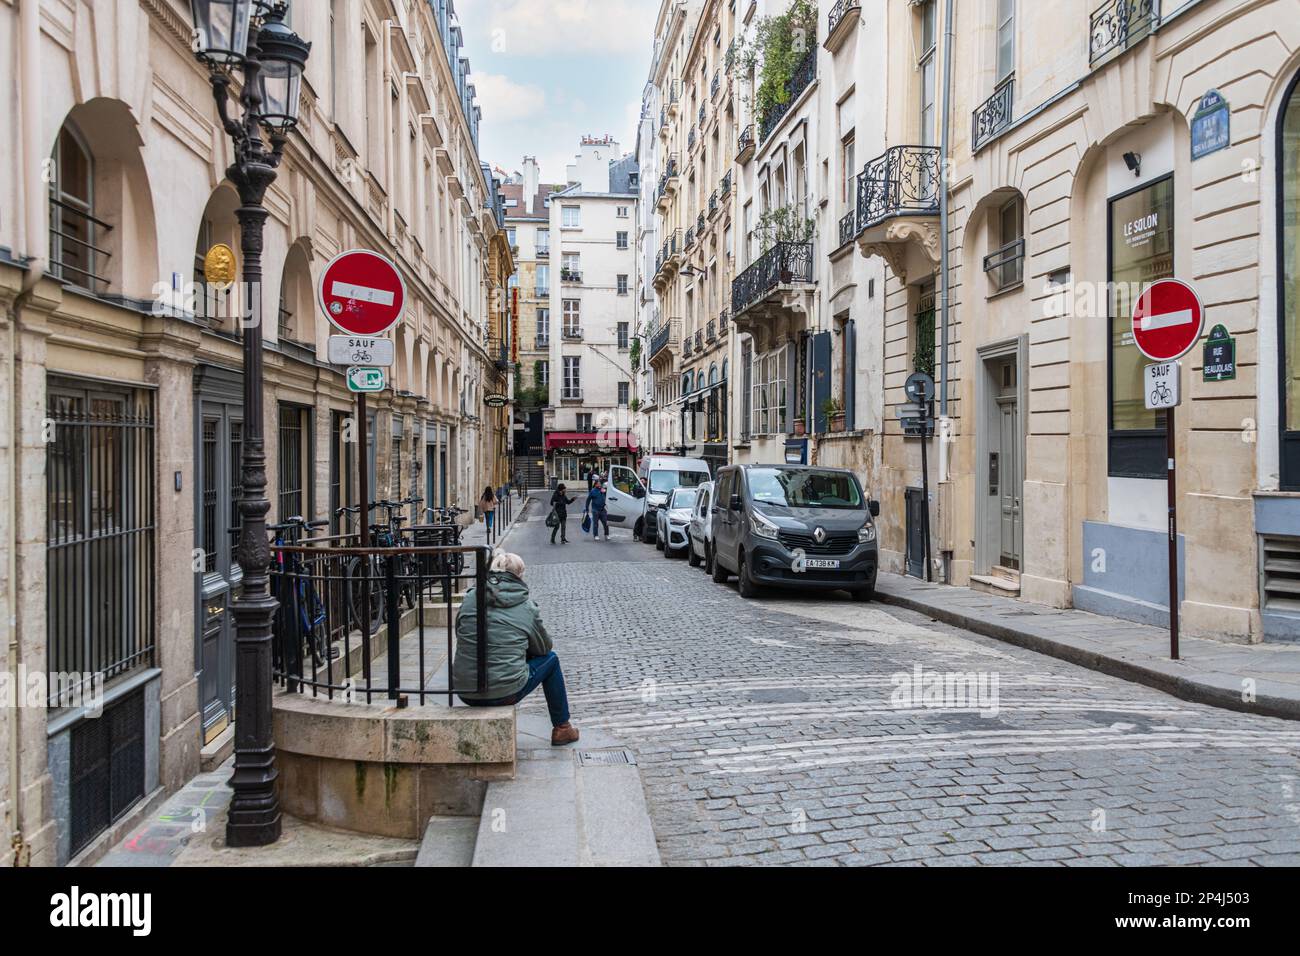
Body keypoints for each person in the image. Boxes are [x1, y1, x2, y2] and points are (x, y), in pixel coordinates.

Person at [453, 552, 579, 746]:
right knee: (551, 660)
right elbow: (544, 648)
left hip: (465, 690)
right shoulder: (526, 607)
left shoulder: (471, 598)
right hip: (505, 693)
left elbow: (459, 631)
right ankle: (562, 727)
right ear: (520, 576)